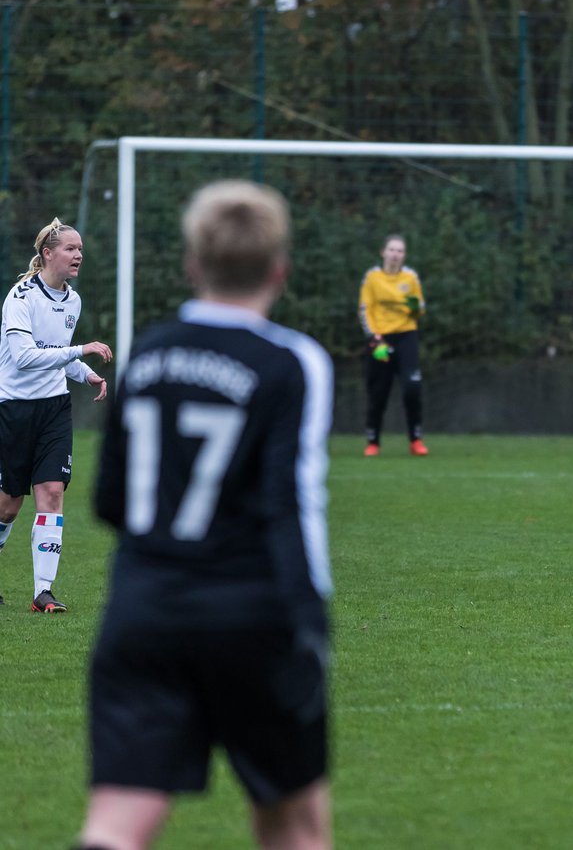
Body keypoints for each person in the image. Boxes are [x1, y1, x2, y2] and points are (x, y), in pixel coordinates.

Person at [79, 180, 334, 850]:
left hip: (143, 610)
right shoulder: (292, 361)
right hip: (252, 613)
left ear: (192, 265)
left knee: (114, 827)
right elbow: (291, 505)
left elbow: (109, 502)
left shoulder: (148, 355)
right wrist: (310, 624)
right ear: (279, 269)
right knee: (294, 826)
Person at [0, 218, 111, 612]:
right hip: (12, 409)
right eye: (70, 248)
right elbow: (25, 357)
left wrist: (85, 374)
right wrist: (80, 352)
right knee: (8, 506)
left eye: (80, 248)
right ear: (48, 254)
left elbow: (57, 357)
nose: (78, 254)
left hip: (53, 409)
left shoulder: (73, 300)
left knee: (51, 493)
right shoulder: (21, 296)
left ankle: (42, 592)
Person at [358, 233, 427, 457]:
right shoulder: (372, 278)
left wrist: (413, 306)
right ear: (383, 253)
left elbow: (418, 310)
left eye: (400, 251)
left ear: (404, 255)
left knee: (412, 387)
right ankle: (373, 441)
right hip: (380, 340)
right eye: (392, 250)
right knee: (378, 390)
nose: (395, 254)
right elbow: (364, 309)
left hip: (406, 336)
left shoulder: (410, 278)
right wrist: (373, 337)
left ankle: (415, 440)